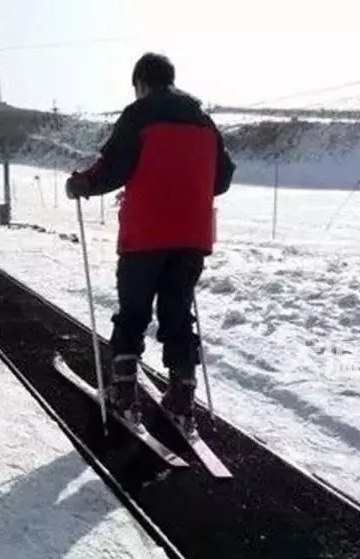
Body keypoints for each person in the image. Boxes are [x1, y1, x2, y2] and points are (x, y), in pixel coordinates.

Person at [65, 52, 235, 430]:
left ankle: (124, 391)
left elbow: (114, 166)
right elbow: (223, 177)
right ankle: (182, 396)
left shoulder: (139, 113)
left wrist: (84, 182)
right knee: (177, 313)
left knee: (134, 310)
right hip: (192, 236)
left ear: (142, 82)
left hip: (146, 233)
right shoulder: (204, 121)